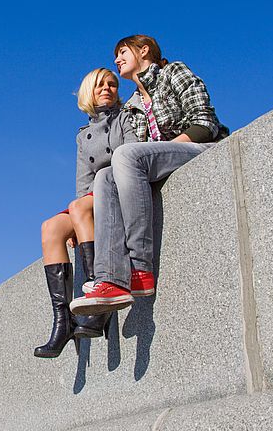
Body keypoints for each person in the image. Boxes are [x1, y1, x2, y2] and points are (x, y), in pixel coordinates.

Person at [70, 35, 228, 315]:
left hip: (199, 148)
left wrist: (159, 151)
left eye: (122, 52)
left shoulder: (173, 73)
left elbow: (205, 123)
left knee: (126, 155)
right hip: (158, 163)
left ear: (143, 51)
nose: (117, 60)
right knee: (106, 175)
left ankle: (140, 267)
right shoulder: (132, 104)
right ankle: (111, 280)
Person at [34, 67, 138, 357]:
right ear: (87, 92)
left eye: (113, 84)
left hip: (120, 185)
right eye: (100, 85)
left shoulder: (126, 117)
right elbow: (83, 182)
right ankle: (62, 321)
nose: (107, 88)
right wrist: (79, 222)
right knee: (51, 228)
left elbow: (132, 158)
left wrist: (82, 210)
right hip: (92, 198)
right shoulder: (83, 136)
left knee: (79, 206)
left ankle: (96, 301)